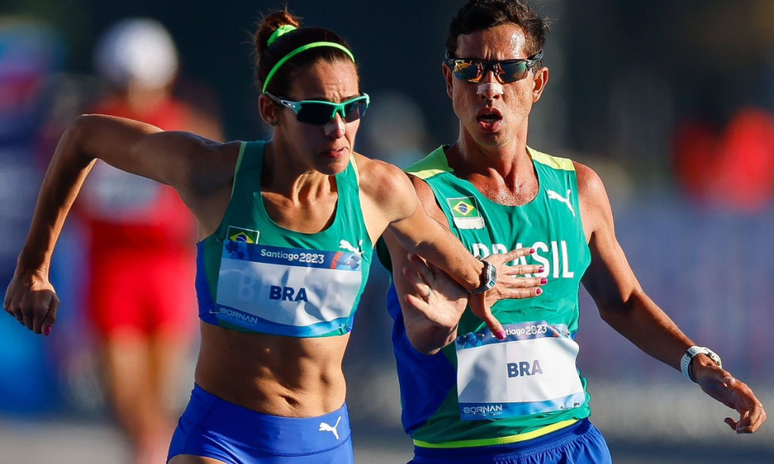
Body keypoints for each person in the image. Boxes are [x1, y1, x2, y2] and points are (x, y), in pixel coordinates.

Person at [2, 10, 544, 464]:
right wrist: (34, 266)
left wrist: (484, 277)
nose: (338, 130)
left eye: (352, 110)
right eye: (316, 114)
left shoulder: (378, 189)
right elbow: (82, 136)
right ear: (270, 111)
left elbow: (440, 248)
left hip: (323, 442)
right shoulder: (215, 174)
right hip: (221, 436)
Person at [380, 1, 767, 463]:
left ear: (538, 83)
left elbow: (621, 301)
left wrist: (696, 362)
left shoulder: (578, 188)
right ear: (449, 81)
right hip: (465, 451)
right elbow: (422, 332)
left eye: (508, 70)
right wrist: (458, 304)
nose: (489, 87)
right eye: (470, 70)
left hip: (570, 444)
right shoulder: (418, 196)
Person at [72, 18, 223, 464]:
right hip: (111, 270)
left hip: (168, 270)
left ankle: (152, 454)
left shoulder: (189, 126)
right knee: (123, 396)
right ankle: (147, 452)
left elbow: (217, 199)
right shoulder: (91, 126)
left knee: (160, 399)